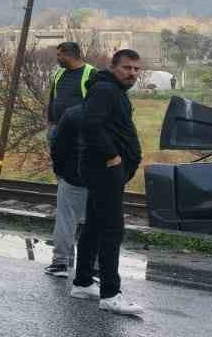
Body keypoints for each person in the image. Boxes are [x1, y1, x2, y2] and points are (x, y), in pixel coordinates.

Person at [71, 48, 145, 317]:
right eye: (127, 68)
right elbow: (90, 124)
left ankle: (83, 282)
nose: (132, 74)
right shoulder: (105, 90)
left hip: (102, 168)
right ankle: (111, 294)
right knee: (113, 229)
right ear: (114, 67)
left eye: (137, 69)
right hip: (104, 168)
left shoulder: (113, 91)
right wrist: (113, 156)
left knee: (94, 224)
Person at [44, 41, 95, 278]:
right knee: (69, 198)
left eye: (59, 55)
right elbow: (53, 101)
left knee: (69, 205)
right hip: (59, 136)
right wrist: (51, 125)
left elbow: (95, 108)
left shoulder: (90, 74)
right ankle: (69, 259)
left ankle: (63, 261)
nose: (57, 58)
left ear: (68, 54)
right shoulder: (59, 74)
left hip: (79, 142)